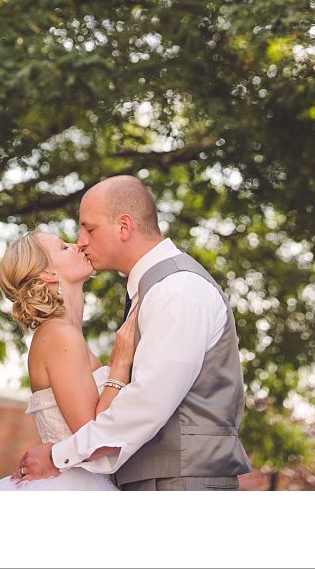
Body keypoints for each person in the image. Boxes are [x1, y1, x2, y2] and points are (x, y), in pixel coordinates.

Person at [13, 175, 252, 490]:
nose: (81, 241)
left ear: (123, 227)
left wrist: (58, 456)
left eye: (90, 228)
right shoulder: (153, 291)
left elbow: (146, 405)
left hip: (181, 484)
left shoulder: (177, 290)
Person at [0, 229, 135, 491]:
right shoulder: (59, 335)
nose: (77, 244)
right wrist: (120, 365)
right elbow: (93, 433)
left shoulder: (64, 333)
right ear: (48, 274)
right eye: (64, 248)